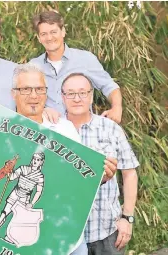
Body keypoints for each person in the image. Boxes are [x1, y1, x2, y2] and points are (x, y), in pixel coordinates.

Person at [0, 63, 118, 255]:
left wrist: (102, 176)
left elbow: (75, 182)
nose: (34, 95)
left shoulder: (64, 129)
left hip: (62, 239)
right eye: (26, 89)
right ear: (13, 93)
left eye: (39, 89)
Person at [61, 73, 139, 254]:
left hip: (106, 231)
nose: (77, 98)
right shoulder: (54, 129)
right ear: (62, 97)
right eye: (70, 93)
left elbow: (130, 173)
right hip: (65, 234)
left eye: (82, 92)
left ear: (91, 95)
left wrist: (128, 218)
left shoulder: (111, 128)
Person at [30, 11, 123, 124]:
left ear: (63, 31)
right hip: (50, 133)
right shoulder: (33, 67)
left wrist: (117, 108)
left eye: (53, 32)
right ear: (38, 38)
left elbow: (109, 86)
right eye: (44, 34)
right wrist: (42, 110)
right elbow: (27, 101)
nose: (49, 37)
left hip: (83, 131)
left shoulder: (85, 59)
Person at [0, 152, 46, 237]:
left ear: (41, 162)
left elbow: (39, 191)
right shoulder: (23, 168)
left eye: (38, 160)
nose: (35, 161)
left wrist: (32, 203)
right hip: (15, 193)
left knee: (17, 217)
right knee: (5, 212)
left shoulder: (40, 176)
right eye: (34, 159)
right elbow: (12, 177)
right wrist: (9, 170)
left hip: (25, 197)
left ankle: (11, 236)